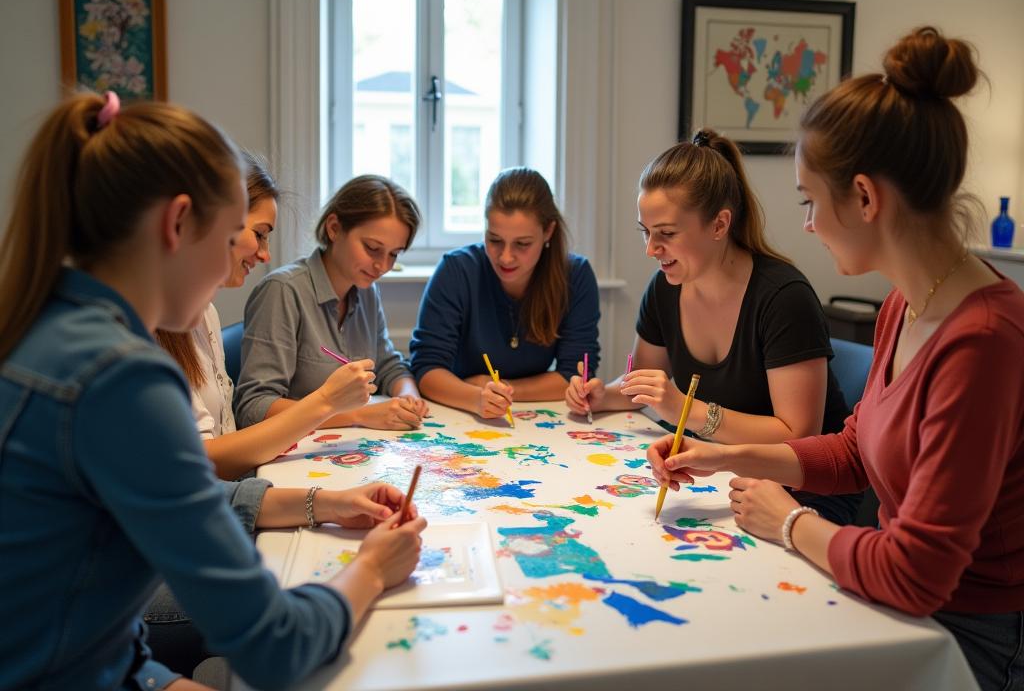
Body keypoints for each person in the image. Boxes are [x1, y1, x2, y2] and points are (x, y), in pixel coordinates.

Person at [0, 91, 426, 691]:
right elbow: (275, 645)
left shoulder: (45, 323)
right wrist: (372, 570)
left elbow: (90, 611)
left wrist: (326, 502)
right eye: (232, 238)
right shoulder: (123, 378)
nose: (242, 261)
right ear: (177, 224)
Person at [648, 27, 1024, 691]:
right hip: (897, 595)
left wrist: (791, 522)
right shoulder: (905, 303)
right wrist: (724, 455)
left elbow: (917, 574)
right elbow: (854, 450)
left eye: (810, 201)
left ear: (866, 198)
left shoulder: (985, 340)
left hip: (968, 631)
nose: (808, 224)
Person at [567, 130, 860, 525]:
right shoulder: (665, 287)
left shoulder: (784, 297)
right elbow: (644, 383)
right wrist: (604, 394)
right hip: (719, 471)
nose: (651, 249)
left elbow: (798, 436)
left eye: (667, 234)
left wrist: (684, 410)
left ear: (720, 224)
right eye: (645, 232)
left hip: (803, 491)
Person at [156, 155, 374, 479]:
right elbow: (203, 462)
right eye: (259, 234)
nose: (265, 254)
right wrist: (328, 402)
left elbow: (224, 447)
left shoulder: (206, 313)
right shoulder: (153, 327)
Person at [235, 175, 429, 431]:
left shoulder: (366, 291)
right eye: (372, 248)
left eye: (394, 254)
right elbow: (254, 408)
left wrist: (408, 396)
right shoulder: (283, 291)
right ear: (334, 228)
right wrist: (359, 415)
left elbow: (388, 366)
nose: (382, 266)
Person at [411, 167, 600, 420]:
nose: (506, 257)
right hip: (460, 413)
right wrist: (475, 398)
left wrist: (501, 389)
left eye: (522, 244)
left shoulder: (575, 276)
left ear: (548, 231)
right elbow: (427, 369)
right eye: (494, 240)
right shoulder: (456, 270)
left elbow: (574, 377)